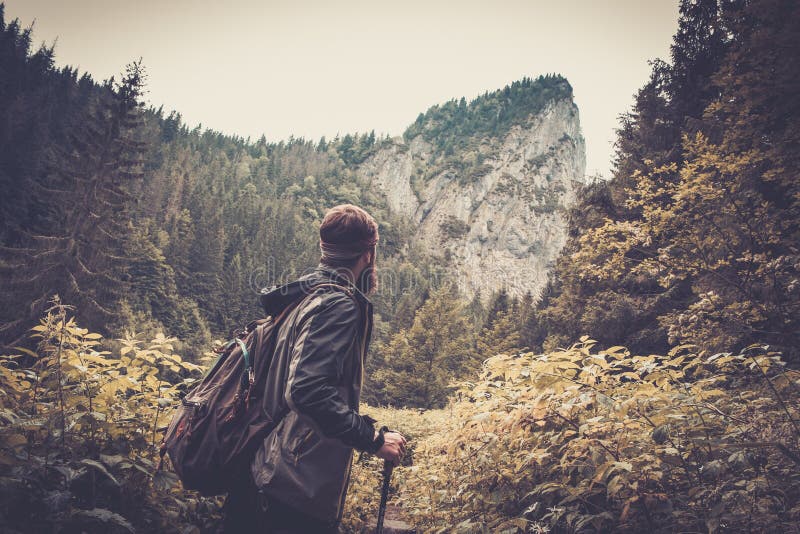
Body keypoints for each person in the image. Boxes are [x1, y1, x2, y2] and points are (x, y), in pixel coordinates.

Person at [224, 204, 407, 533]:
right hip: (289, 488)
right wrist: (373, 439)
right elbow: (306, 391)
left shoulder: (304, 297)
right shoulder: (337, 305)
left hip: (262, 474)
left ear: (325, 250)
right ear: (368, 253)